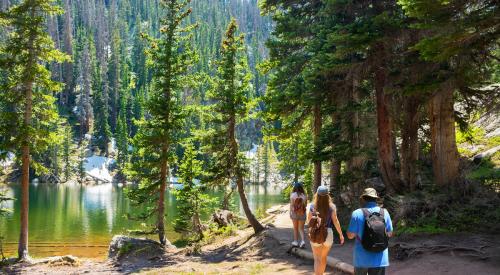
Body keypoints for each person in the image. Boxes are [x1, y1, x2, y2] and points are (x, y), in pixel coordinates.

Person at [347, 188, 394, 275]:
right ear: (376, 199)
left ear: (363, 199)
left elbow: (350, 235)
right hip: (380, 257)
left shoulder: (356, 213)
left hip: (361, 257)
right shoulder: (385, 212)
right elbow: (389, 233)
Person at [307, 185, 344, 275]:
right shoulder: (332, 206)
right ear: (328, 195)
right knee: (323, 257)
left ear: (317, 195)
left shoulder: (313, 206)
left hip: (316, 233)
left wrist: (310, 231)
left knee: (317, 258)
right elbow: (335, 221)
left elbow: (309, 220)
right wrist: (340, 234)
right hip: (328, 233)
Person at [289, 182, 307, 248]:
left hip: (294, 213)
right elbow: (306, 205)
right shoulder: (304, 195)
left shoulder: (293, 195)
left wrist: (290, 212)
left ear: (294, 188)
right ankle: (302, 241)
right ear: (302, 188)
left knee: (295, 228)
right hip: (302, 213)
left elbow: (291, 205)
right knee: (301, 228)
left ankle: (296, 242)